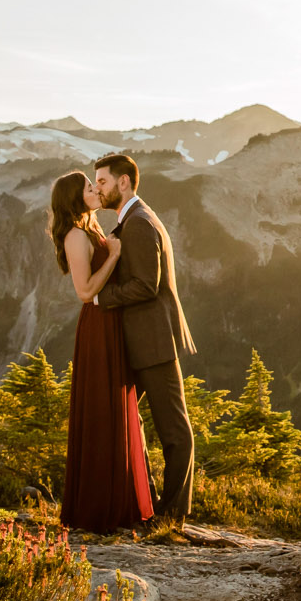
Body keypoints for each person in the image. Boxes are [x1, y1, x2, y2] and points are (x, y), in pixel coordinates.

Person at [91, 152, 198, 526]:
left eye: (102, 182)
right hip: (145, 340)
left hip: (153, 341)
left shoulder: (138, 223)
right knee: (131, 422)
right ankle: (148, 502)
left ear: (123, 182)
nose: (98, 189)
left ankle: (173, 514)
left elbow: (146, 286)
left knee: (174, 430)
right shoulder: (134, 219)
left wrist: (102, 299)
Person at [51, 170, 153, 532]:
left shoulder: (90, 228)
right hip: (97, 324)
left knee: (115, 408)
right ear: (75, 198)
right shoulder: (76, 236)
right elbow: (85, 290)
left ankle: (119, 501)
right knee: (100, 409)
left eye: (95, 185)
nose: (96, 191)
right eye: (89, 188)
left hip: (110, 322)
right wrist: (113, 255)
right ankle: (98, 508)